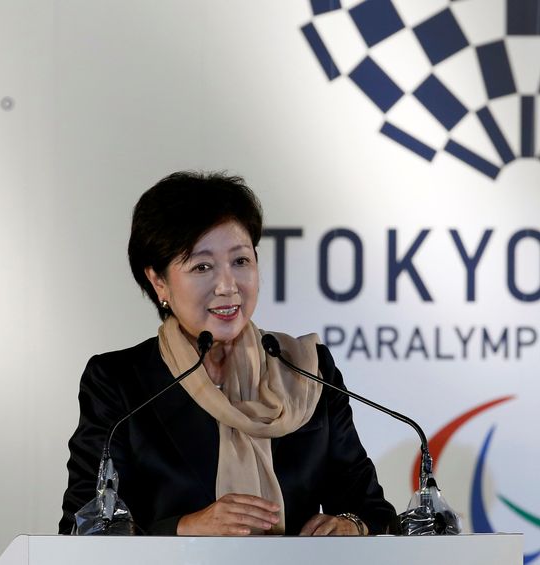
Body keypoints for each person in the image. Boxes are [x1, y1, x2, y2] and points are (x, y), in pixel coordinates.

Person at [59, 171, 396, 536]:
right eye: (202, 266)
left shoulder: (306, 371)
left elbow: (373, 510)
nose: (227, 286)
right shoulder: (120, 382)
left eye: (240, 261)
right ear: (159, 281)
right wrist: (186, 528)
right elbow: (85, 528)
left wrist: (351, 525)